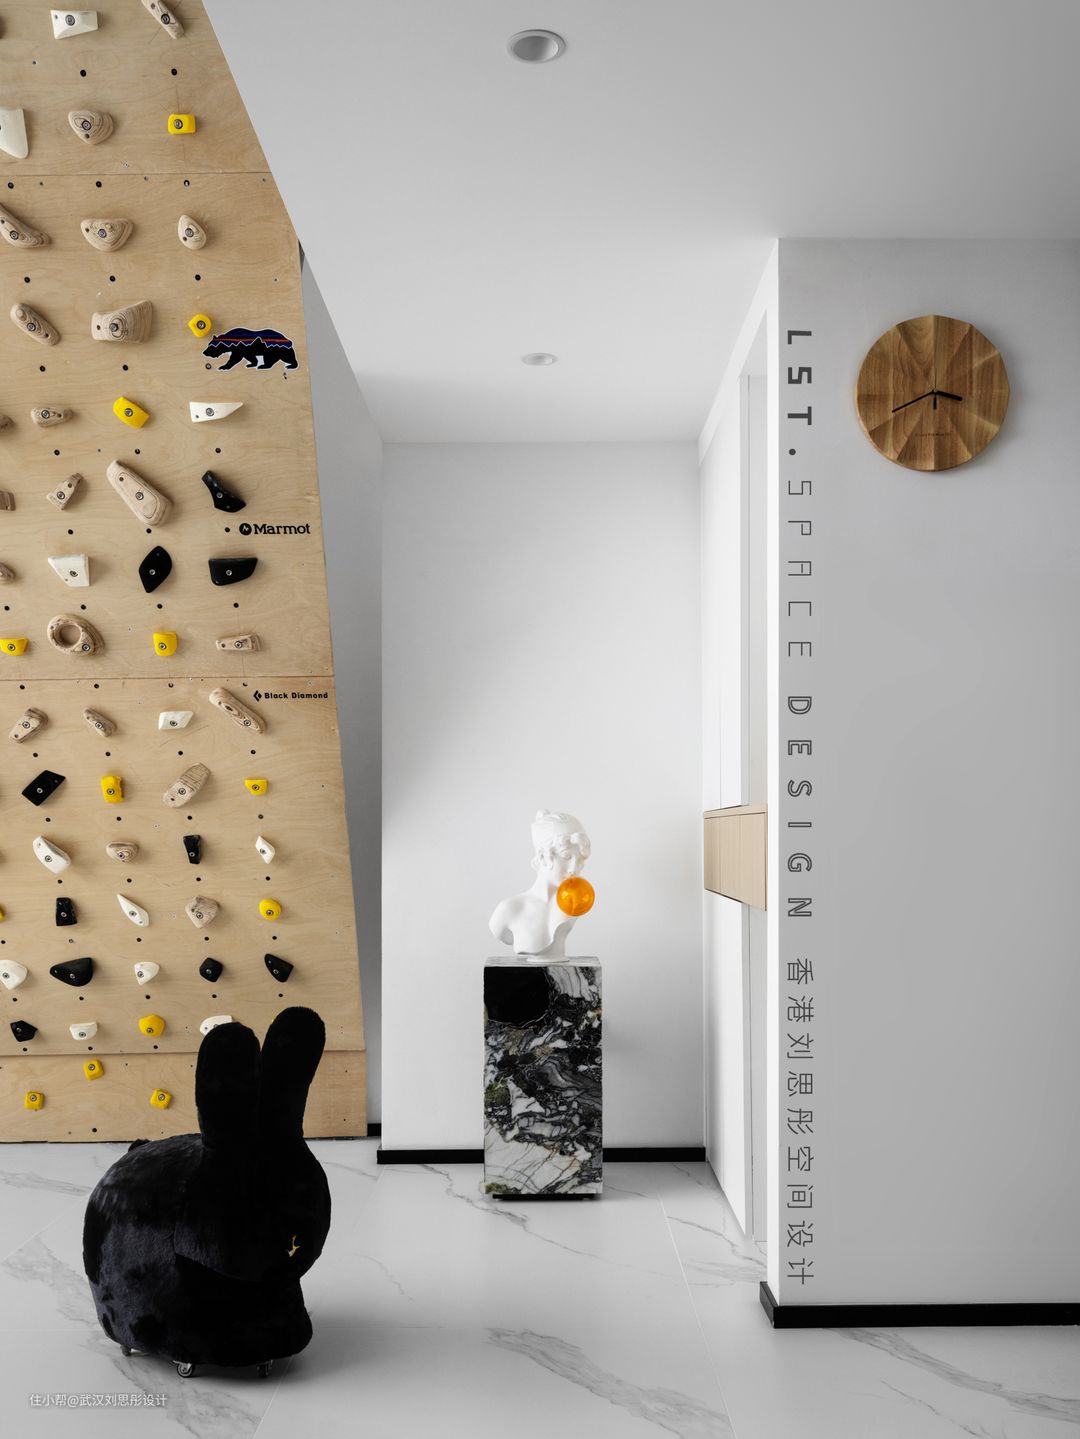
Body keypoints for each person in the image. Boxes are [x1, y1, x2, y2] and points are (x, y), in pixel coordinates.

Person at [488, 810, 591, 960]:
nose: (573, 869)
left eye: (580, 860)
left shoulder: (576, 905)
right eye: (566, 857)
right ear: (543, 856)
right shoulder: (509, 909)